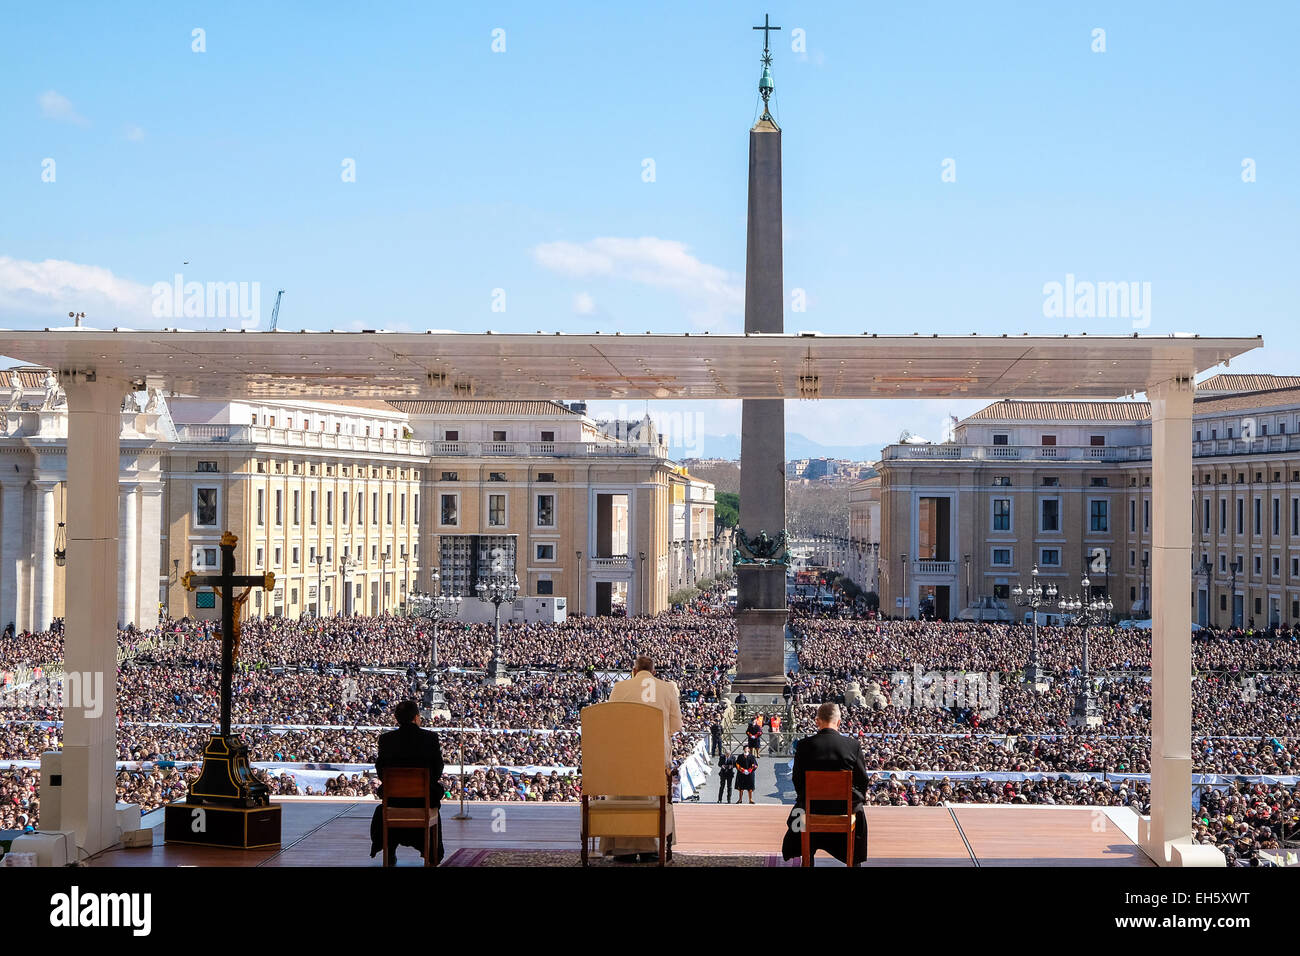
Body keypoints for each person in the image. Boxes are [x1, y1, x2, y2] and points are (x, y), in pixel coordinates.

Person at [601, 654, 683, 862]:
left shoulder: (620, 687)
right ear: (654, 672)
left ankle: (622, 848)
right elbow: (675, 727)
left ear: (634, 671)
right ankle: (651, 847)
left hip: (623, 754)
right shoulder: (667, 688)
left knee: (623, 797)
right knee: (652, 799)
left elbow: (609, 721)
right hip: (656, 755)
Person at [781, 702, 869, 865]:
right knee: (859, 812)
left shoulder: (804, 745)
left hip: (811, 808)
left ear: (817, 721)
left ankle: (807, 858)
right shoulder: (852, 745)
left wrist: (806, 800)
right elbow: (862, 780)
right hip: (844, 809)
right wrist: (853, 803)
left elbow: (797, 780)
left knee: (799, 811)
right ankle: (853, 860)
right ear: (839, 722)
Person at [369, 699, 445, 865]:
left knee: (380, 809)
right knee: (434, 799)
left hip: (394, 801)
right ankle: (431, 854)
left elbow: (381, 770)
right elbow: (437, 769)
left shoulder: (386, 739)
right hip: (423, 801)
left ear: (397, 718)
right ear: (417, 718)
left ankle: (389, 851)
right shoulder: (430, 738)